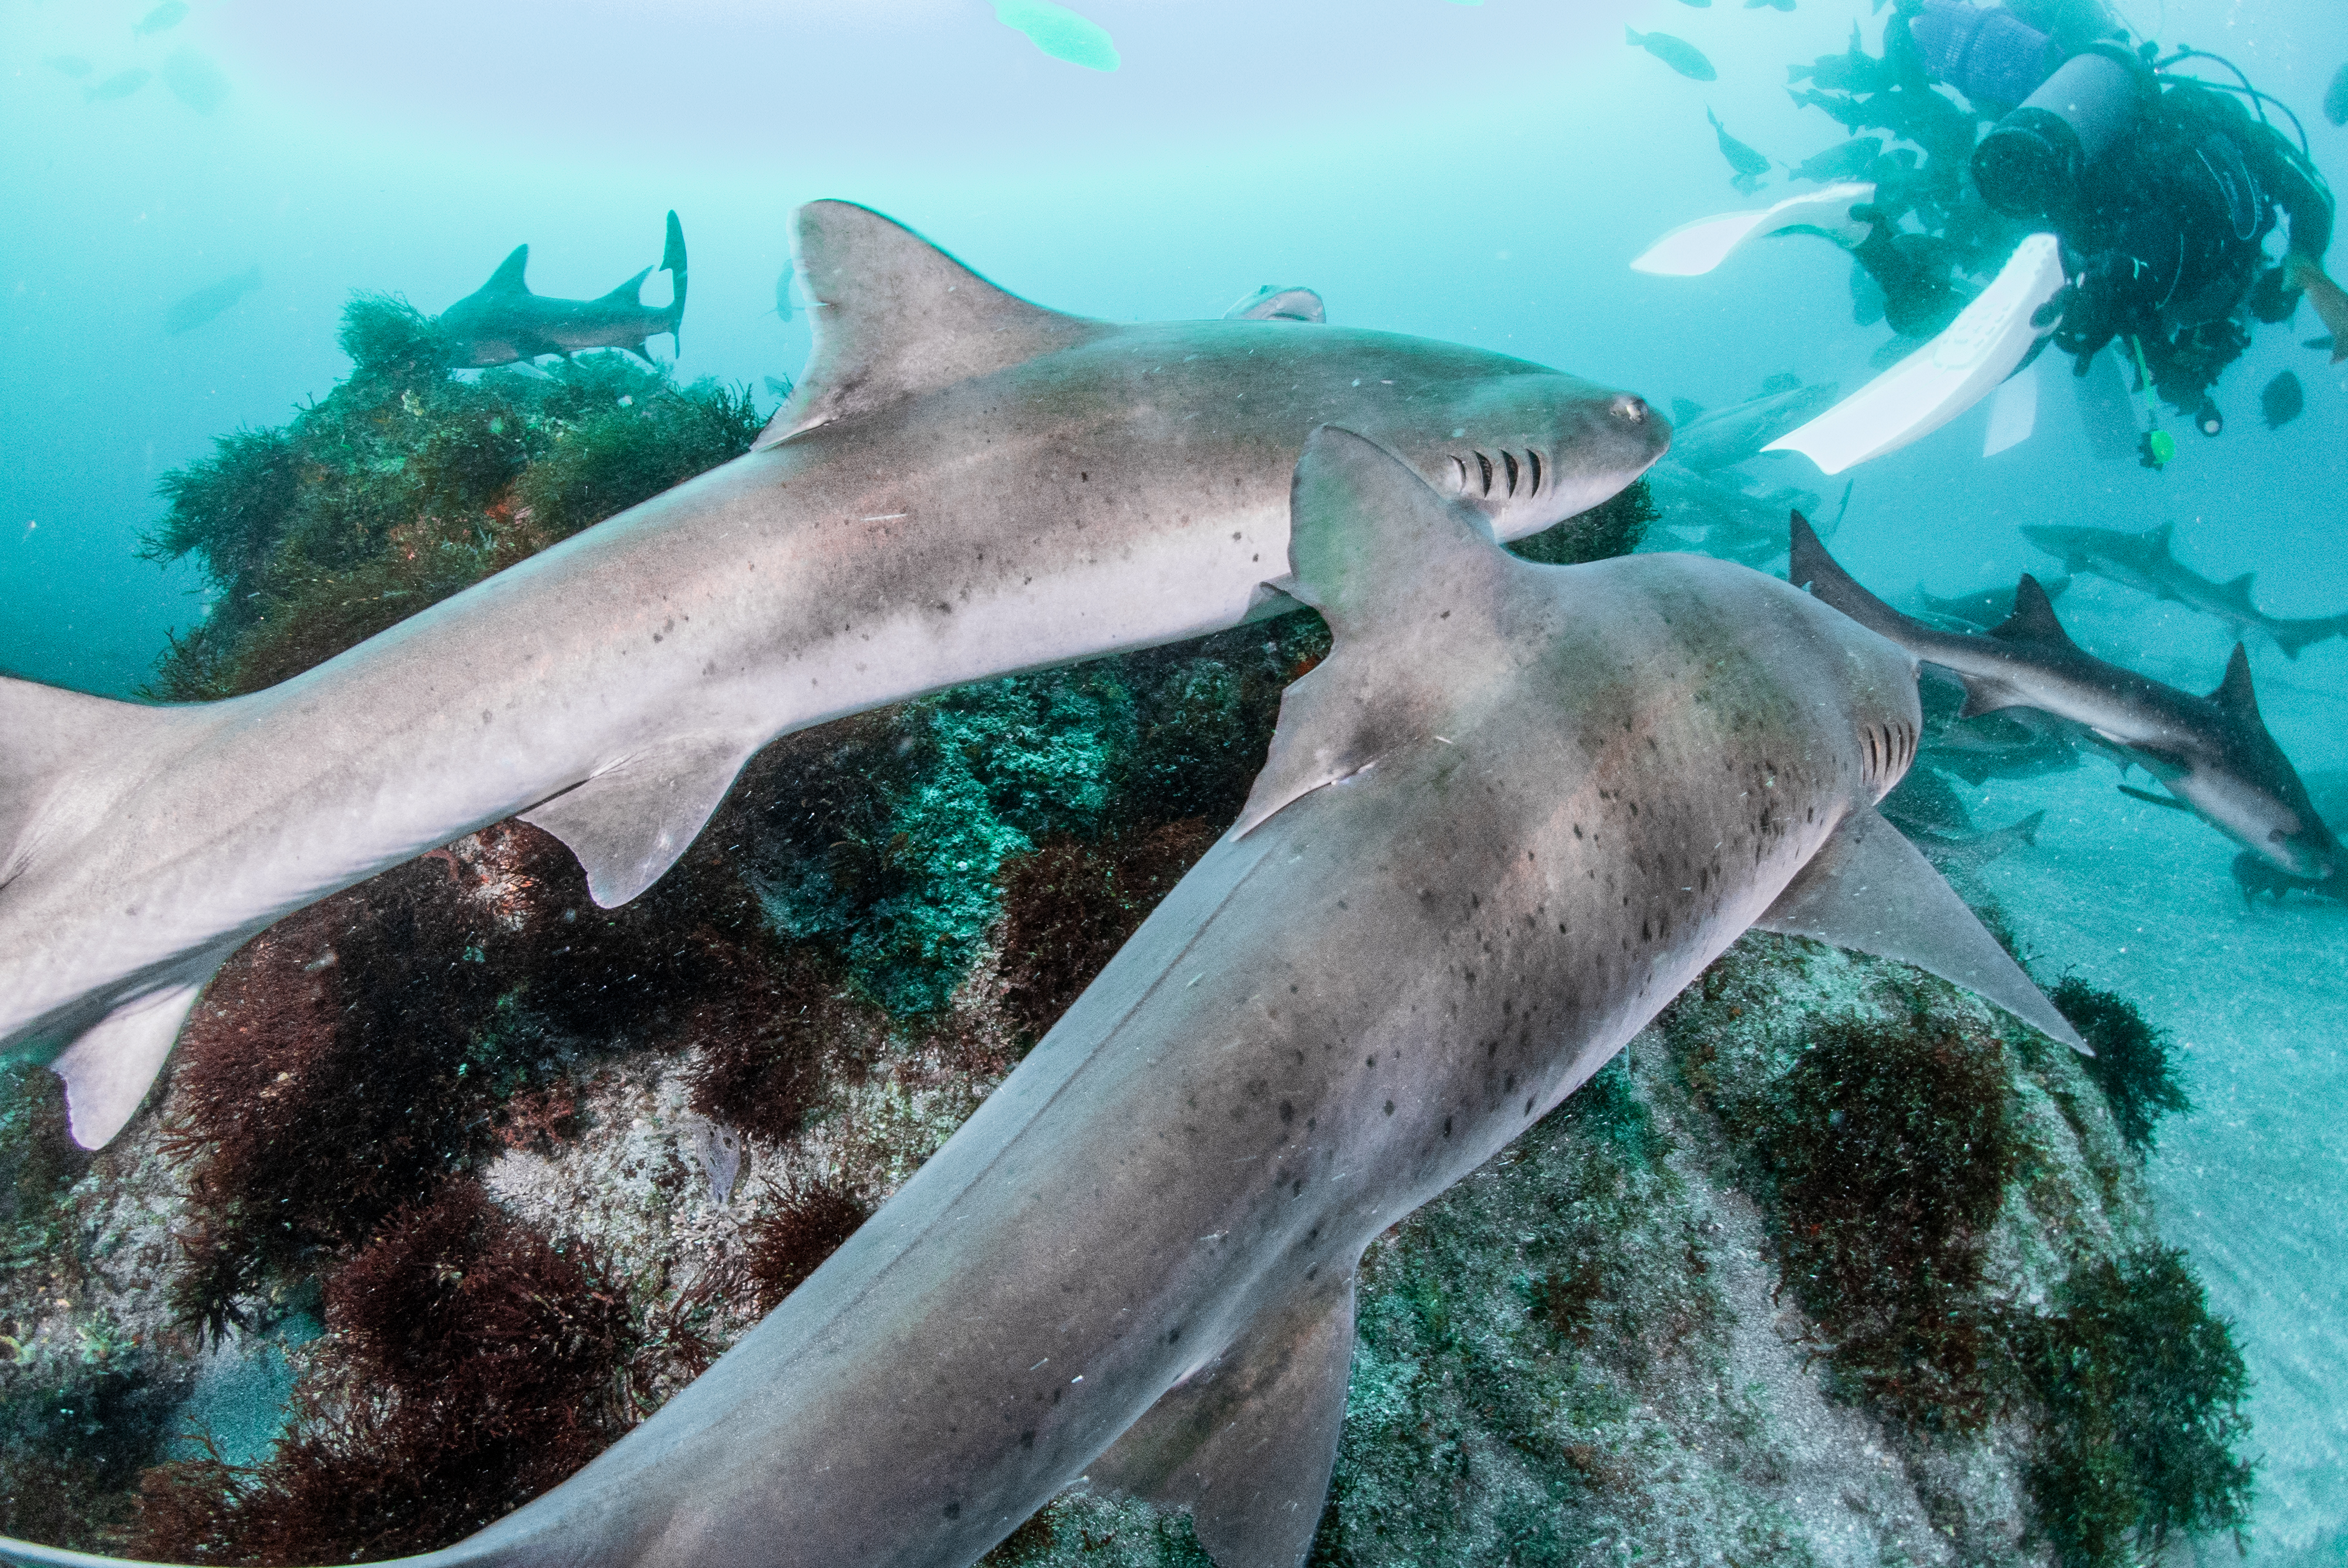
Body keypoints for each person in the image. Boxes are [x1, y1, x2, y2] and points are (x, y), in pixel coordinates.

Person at [1806, 0, 2337, 447]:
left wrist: (2300, 264)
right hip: (2073, 219)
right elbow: (2309, 201)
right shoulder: (2202, 163)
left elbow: (2311, 201)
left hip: (2063, 188)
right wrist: (2296, 273)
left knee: (2014, 291)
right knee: (2027, 323)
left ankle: (1884, 237)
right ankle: (1878, 245)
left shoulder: (2187, 144)